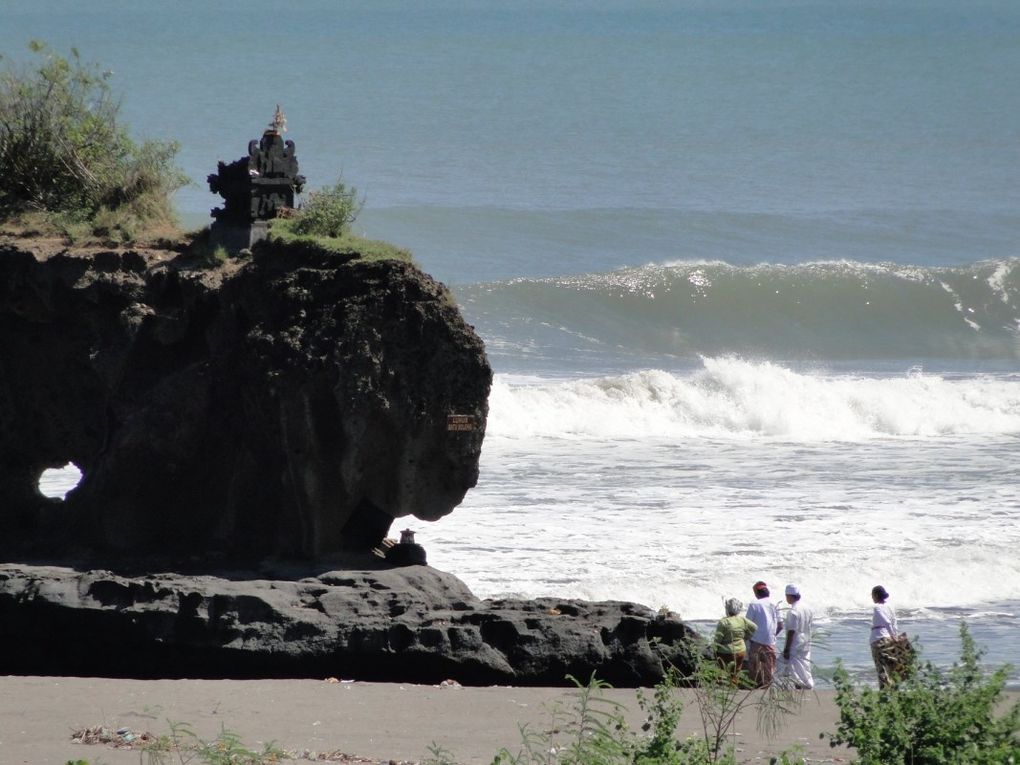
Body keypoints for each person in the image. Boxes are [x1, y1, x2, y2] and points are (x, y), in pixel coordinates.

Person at [746, 580, 783, 687]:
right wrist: (772, 636)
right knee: (768, 669)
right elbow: (780, 626)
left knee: (755, 669)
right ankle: (766, 689)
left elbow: (748, 625)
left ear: (757, 593)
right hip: (770, 642)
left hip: (756, 641)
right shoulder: (775, 604)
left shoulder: (754, 604)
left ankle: (755, 689)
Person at [870, 584, 906, 688]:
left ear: (876, 595)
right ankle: (895, 690)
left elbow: (887, 622)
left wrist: (893, 635)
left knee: (881, 668)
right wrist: (894, 636)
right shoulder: (890, 606)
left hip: (878, 640)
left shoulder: (877, 607)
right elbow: (894, 622)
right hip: (889, 640)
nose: (872, 597)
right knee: (892, 667)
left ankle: (884, 694)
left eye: (872, 595)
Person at [713, 597, 757, 683]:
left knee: (721, 668)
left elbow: (718, 639)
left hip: (726, 652)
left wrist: (714, 650)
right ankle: (733, 683)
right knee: (736, 670)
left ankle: (720, 682)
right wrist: (746, 637)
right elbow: (754, 627)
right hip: (741, 650)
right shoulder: (742, 619)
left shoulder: (723, 622)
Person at [781, 584, 814, 690]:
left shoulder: (793, 611)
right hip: (806, 641)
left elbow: (791, 631)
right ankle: (807, 683)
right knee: (804, 665)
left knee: (795, 667)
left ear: (790, 596)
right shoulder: (807, 608)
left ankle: (801, 685)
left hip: (796, 643)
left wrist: (787, 648)